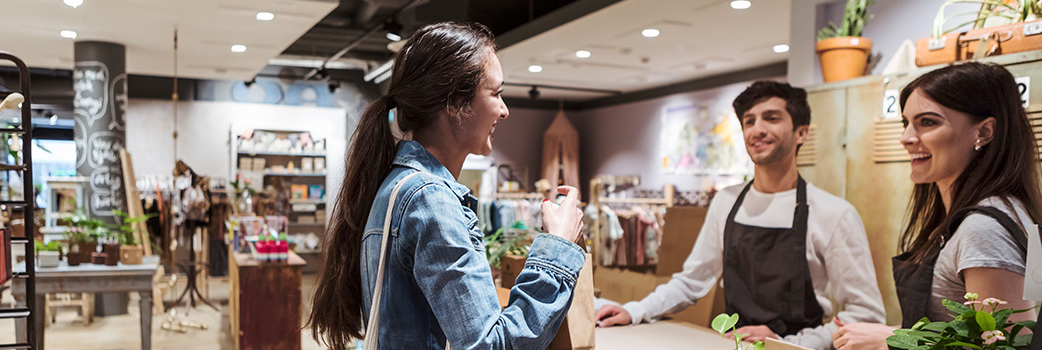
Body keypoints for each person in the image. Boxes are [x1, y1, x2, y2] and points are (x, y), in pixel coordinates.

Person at [305, 22, 586, 350]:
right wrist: (557, 246)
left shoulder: (399, 185)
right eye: (495, 93)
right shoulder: (429, 199)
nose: (505, 110)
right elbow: (489, 345)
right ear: (454, 103)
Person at [594, 81, 886, 350]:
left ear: (801, 132)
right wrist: (636, 310)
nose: (757, 129)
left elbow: (865, 315)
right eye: (749, 121)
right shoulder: (726, 201)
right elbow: (692, 281)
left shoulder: (834, 213)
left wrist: (785, 343)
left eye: (771, 118)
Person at [832, 62, 1040, 350]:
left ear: (984, 131)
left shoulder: (984, 228)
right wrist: (894, 332)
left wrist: (892, 342)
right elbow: (957, 332)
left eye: (927, 122)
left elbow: (1010, 345)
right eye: (906, 122)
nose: (906, 138)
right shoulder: (973, 215)